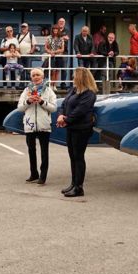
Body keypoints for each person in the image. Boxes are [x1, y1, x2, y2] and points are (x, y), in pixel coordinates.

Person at [56, 67, 97, 197]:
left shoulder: (89, 94)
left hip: (81, 129)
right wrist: (61, 115)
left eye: (74, 76)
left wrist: (66, 120)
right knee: (72, 156)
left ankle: (79, 187)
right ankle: (73, 183)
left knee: (79, 157)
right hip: (71, 127)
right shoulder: (74, 90)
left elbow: (81, 110)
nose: (73, 78)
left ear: (80, 77)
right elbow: (64, 103)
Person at [17, 67, 56, 185]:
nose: (36, 77)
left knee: (44, 151)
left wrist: (42, 102)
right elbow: (19, 108)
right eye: (33, 75)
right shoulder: (26, 91)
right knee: (31, 150)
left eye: (38, 75)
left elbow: (54, 108)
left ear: (42, 77)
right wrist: (28, 101)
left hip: (44, 124)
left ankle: (43, 176)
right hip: (30, 124)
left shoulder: (49, 91)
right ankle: (34, 173)